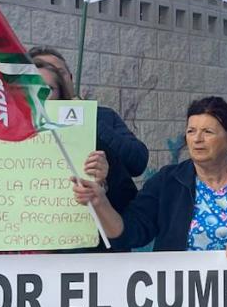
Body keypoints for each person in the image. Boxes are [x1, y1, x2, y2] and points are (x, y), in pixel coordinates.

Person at [73, 96, 227, 258]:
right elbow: (129, 232)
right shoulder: (167, 183)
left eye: (207, 131)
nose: (197, 139)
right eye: (191, 131)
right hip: (180, 300)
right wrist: (99, 201)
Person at [29, 47, 149, 228]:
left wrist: (87, 117)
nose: (53, 80)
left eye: (59, 73)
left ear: (69, 78)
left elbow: (137, 162)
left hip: (92, 238)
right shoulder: (11, 125)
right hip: (36, 235)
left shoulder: (103, 117)